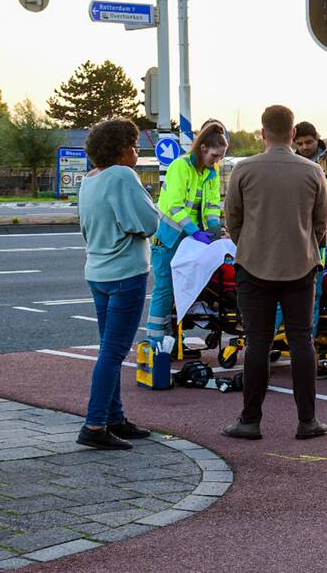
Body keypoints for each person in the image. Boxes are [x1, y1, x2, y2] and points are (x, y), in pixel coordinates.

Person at [221, 105, 327, 441]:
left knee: (257, 341)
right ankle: (307, 421)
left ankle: (250, 420)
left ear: (262, 133)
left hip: (254, 266)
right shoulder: (313, 172)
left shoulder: (244, 169)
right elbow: (320, 223)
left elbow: (232, 220)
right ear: (294, 133)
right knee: (301, 341)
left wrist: (252, 244)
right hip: (300, 266)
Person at [76, 119, 161, 450]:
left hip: (96, 271)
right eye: (136, 146)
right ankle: (95, 424)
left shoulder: (90, 179)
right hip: (126, 272)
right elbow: (147, 222)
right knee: (113, 352)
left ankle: (114, 417)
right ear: (124, 149)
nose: (137, 153)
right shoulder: (123, 176)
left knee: (106, 347)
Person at [144, 121, 228, 349]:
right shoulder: (180, 167)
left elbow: (211, 204)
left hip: (193, 238)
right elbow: (174, 205)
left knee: (190, 288)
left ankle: (173, 340)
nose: (217, 160)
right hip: (171, 237)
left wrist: (213, 230)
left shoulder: (211, 171)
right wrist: (195, 231)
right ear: (202, 148)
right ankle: (155, 341)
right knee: (165, 288)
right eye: (215, 155)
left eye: (220, 157)